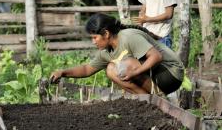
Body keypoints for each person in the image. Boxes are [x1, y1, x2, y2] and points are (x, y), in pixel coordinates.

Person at [50, 13, 184, 95]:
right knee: (111, 69)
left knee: (126, 66)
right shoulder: (105, 52)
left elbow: (157, 57)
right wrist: (63, 72)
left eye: (94, 37)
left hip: (170, 73)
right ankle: (147, 100)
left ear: (106, 34)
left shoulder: (128, 37)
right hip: (154, 75)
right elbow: (86, 69)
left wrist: (135, 73)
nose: (93, 42)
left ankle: (159, 97)